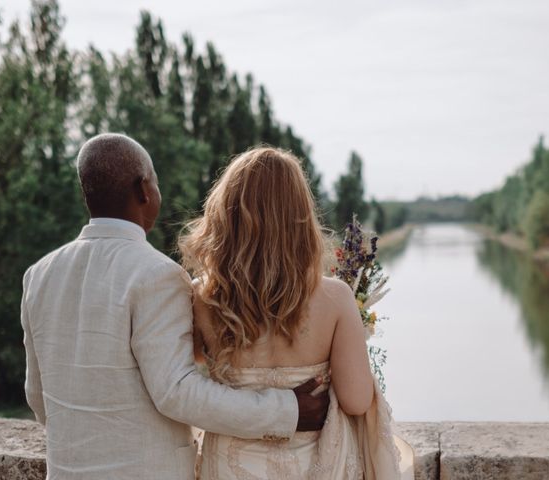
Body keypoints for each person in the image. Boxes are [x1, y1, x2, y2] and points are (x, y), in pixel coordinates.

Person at [20, 134, 329, 479]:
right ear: (144, 190)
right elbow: (177, 392)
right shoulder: (157, 274)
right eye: (156, 182)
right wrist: (286, 411)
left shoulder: (39, 274)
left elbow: (37, 395)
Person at [179, 147, 415, 479]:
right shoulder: (335, 297)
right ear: (301, 217)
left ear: (225, 214)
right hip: (312, 466)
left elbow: (190, 374)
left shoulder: (202, 295)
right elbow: (357, 401)